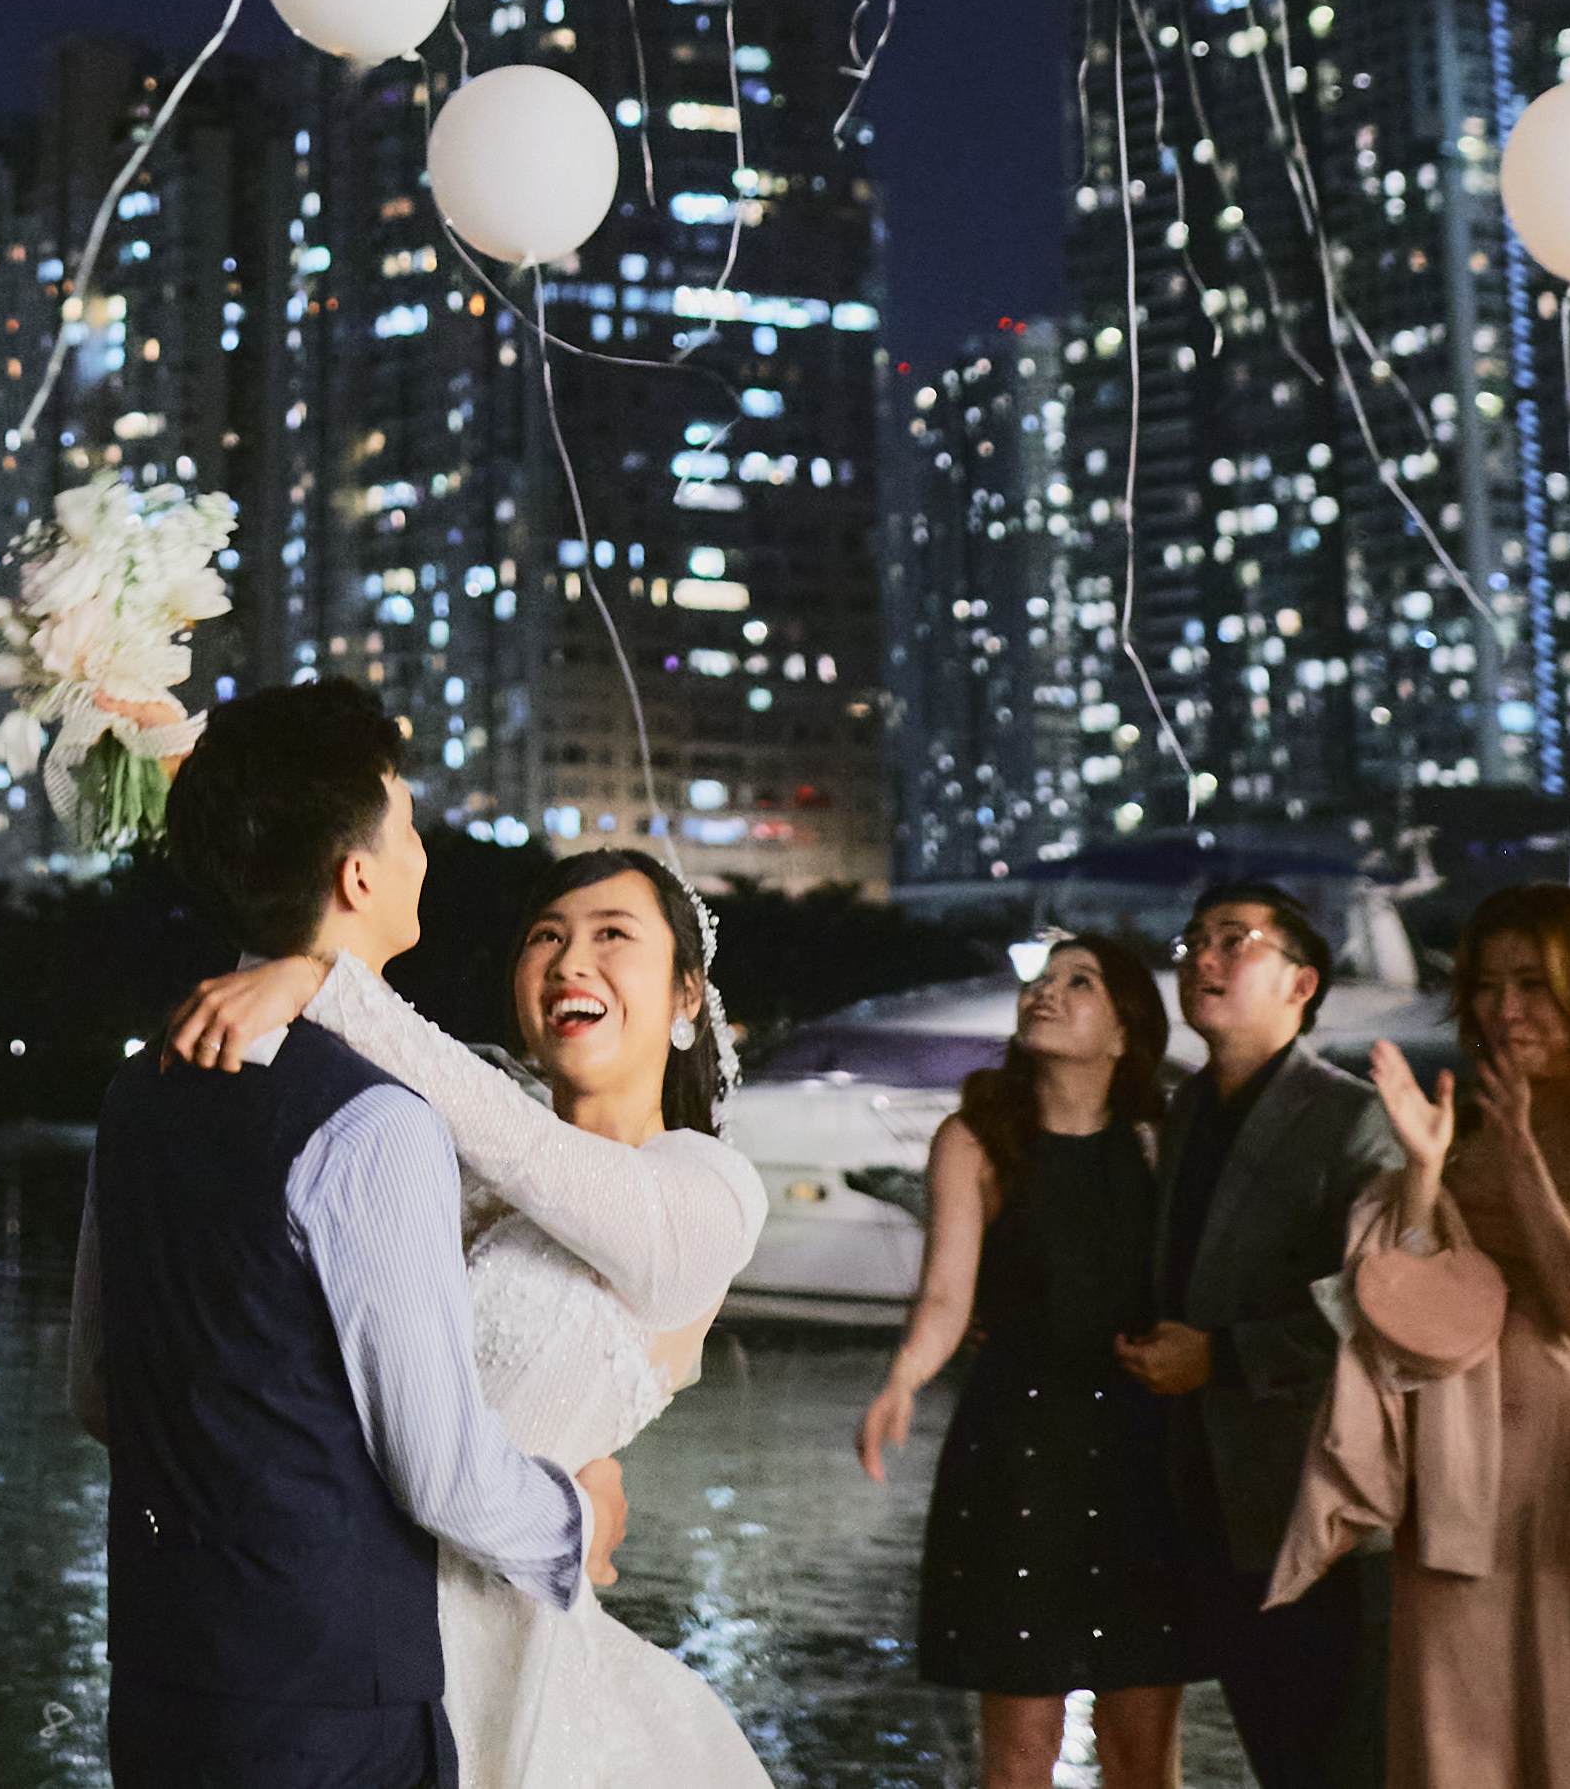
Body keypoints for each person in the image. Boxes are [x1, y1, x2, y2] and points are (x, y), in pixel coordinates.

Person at [72, 680, 616, 1789]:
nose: (422, 852)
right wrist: (574, 1522)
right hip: (329, 1710)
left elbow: (95, 1391)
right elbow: (444, 1473)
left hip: (161, 1683)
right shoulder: (372, 1123)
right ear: (356, 873)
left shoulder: (136, 1094)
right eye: (409, 827)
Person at [161, 838, 773, 1789]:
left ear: (688, 995)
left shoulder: (708, 1192)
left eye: (613, 934)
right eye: (545, 936)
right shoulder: (435, 1148)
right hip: (334, 1637)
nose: (571, 959)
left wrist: (327, 981)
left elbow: (535, 1151)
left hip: (513, 1655)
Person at [1277, 883, 1570, 1787]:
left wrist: (1522, 1166)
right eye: (1488, 984)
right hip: (1458, 1477)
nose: (1506, 1009)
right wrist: (1424, 1174)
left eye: (1533, 983)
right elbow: (1405, 1318)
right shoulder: (1454, 1126)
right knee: (1457, 1739)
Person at [856, 932, 1197, 1789]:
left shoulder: (1164, 1138)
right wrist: (903, 1377)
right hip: (1017, 1453)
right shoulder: (974, 1138)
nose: (1045, 990)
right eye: (1041, 979)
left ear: (1123, 1030)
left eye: (1077, 982)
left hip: (1142, 1453)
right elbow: (945, 1293)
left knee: (1141, 1752)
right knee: (1017, 1751)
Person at [1130, 877, 1405, 1789]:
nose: (1202, 957)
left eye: (1233, 939)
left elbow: (1377, 1299)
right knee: (1270, 1744)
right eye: (1193, 939)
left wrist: (1222, 1355)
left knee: (1333, 1754)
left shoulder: (1349, 1115)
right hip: (1206, 1494)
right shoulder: (1184, 1110)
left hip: (1312, 1494)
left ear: (1301, 981)